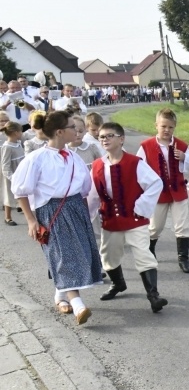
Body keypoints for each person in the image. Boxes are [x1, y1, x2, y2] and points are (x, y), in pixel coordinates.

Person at [11, 111, 103, 324]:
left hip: (75, 208)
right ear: (61, 132)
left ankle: (61, 294)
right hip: (52, 211)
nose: (77, 130)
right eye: (72, 126)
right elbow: (20, 191)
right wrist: (31, 220)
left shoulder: (73, 156)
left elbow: (85, 188)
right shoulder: (37, 158)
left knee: (77, 254)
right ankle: (78, 305)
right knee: (65, 255)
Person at [87, 122, 167, 312]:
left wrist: (140, 207)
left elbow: (156, 183)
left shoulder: (135, 163)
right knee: (108, 256)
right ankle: (118, 284)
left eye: (109, 136)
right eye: (101, 137)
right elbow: (92, 194)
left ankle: (153, 296)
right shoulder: (97, 165)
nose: (104, 139)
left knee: (143, 254)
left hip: (134, 220)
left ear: (121, 139)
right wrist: (87, 217)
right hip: (110, 220)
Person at [136, 108, 189, 273]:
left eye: (170, 127)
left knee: (182, 226)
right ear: (156, 125)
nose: (167, 130)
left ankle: (184, 258)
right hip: (158, 193)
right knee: (155, 227)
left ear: (174, 127)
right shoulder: (146, 146)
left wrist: (184, 158)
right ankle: (149, 253)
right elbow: (138, 168)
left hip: (178, 191)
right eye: (163, 126)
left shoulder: (181, 145)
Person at [1, 121, 25, 226]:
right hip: (12, 174)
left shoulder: (18, 143)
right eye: (20, 131)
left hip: (20, 172)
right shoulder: (7, 147)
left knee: (22, 193)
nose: (22, 134)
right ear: (15, 133)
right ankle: (8, 217)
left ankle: (23, 208)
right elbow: (5, 164)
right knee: (9, 195)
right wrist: (11, 177)